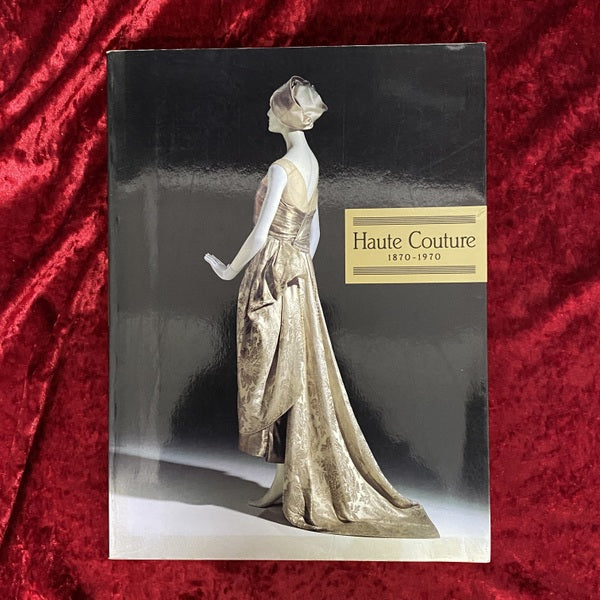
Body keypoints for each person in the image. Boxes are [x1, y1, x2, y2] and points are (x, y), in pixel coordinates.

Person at [205, 76, 439, 538]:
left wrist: (229, 270)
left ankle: (292, 478)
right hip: (298, 274)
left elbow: (261, 233)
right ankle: (284, 478)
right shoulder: (311, 163)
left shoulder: (280, 168)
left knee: (275, 367)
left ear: (285, 116)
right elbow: (314, 231)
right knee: (295, 368)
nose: (267, 115)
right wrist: (301, 268)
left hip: (272, 271)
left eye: (272, 109)